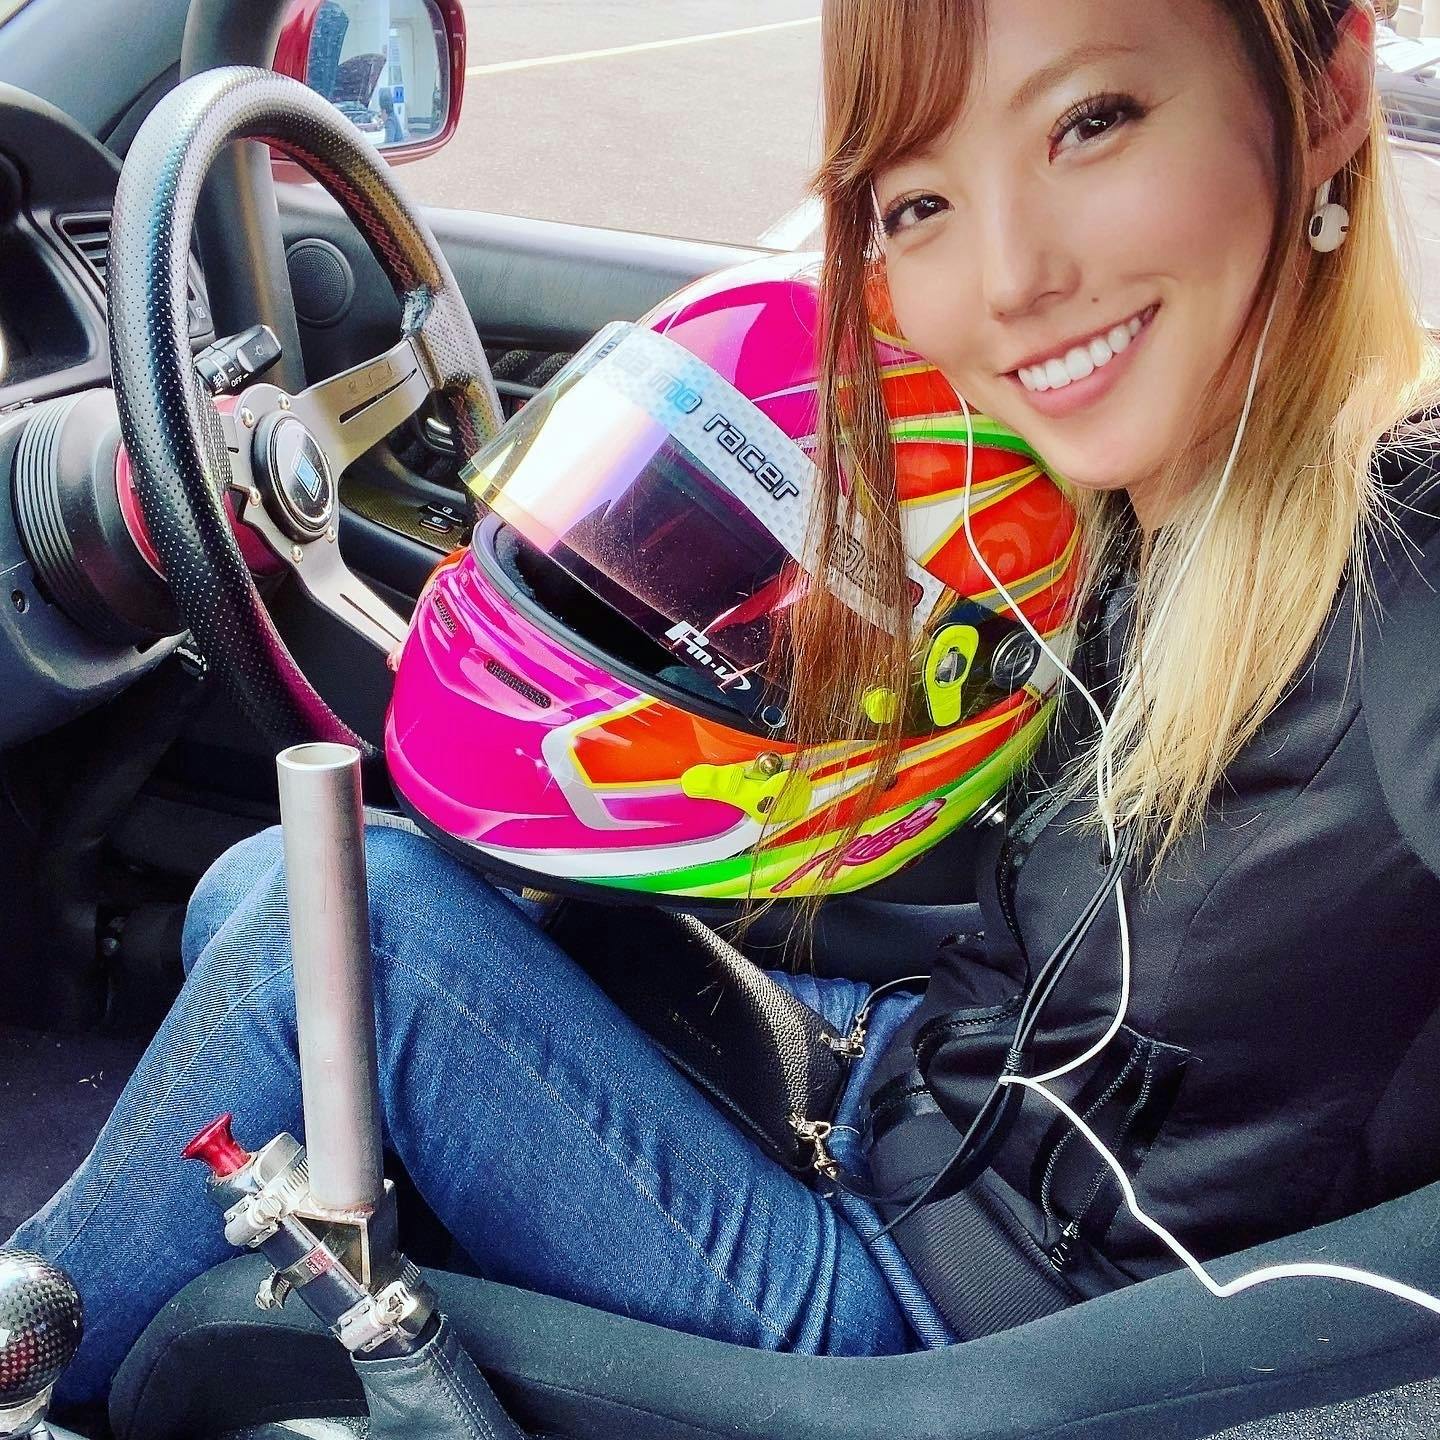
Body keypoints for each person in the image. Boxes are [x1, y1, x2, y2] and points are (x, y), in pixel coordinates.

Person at [13, 0, 1440, 1405]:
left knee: (345, 934)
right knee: (278, 889)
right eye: (920, 202)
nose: (1010, 276)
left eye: (1092, 121)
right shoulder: (1163, 500)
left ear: (1324, 91)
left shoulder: (1409, 563)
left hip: (939, 1331)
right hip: (923, 1100)